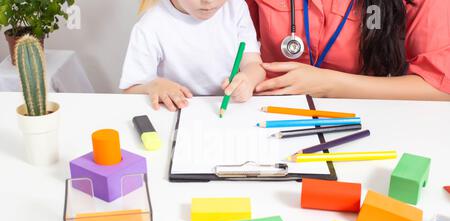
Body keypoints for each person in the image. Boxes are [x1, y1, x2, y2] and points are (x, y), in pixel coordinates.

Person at [246, 0, 450, 101]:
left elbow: (440, 86)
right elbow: (234, 42)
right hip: (269, 111)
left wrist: (328, 84)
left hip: (366, 118)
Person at [120, 0, 266, 111]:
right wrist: (153, 86)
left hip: (228, 109)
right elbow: (130, 89)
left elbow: (253, 65)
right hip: (179, 112)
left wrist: (249, 80)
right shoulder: (150, 24)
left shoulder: (236, 7)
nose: (209, 2)